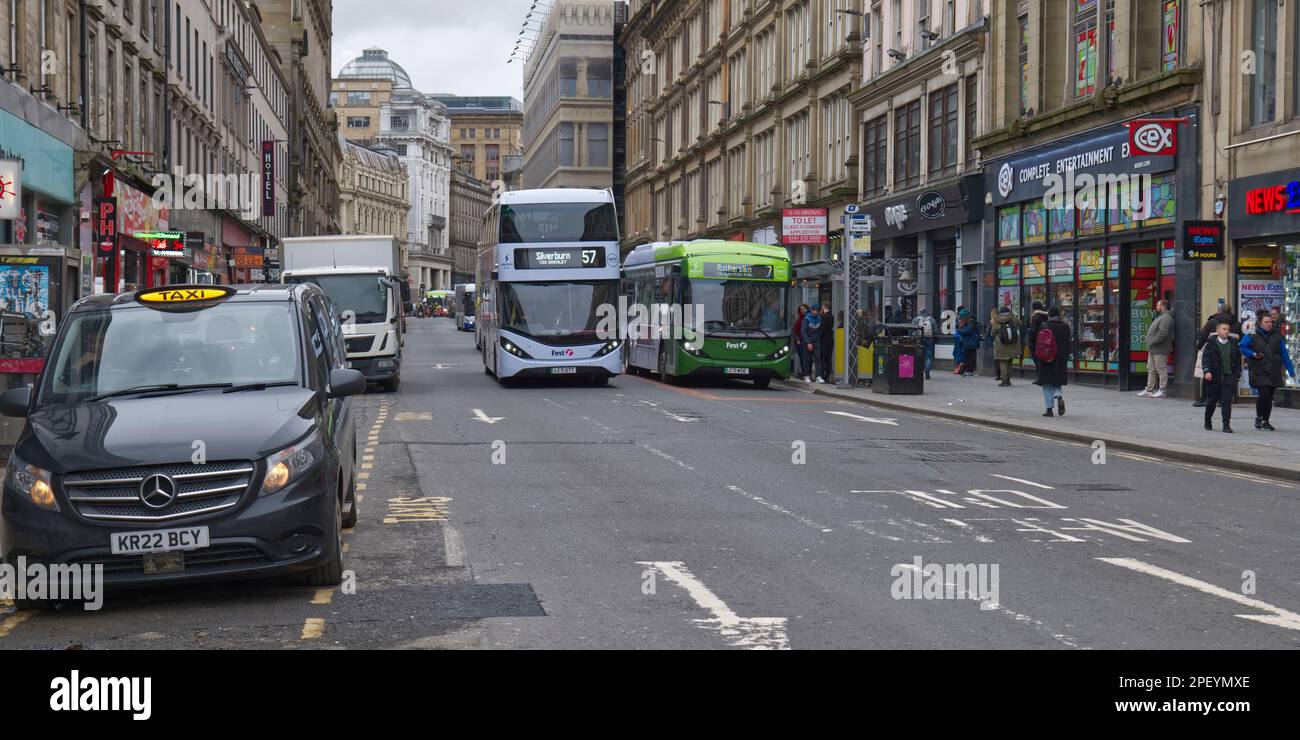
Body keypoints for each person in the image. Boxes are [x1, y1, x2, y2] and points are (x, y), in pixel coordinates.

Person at [1240, 311, 1295, 431]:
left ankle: (1266, 421)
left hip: (1274, 369)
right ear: (1260, 323)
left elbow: (1284, 353)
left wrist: (1290, 370)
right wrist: (1253, 354)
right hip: (1258, 369)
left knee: (1269, 396)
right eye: (1266, 322)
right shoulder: (1252, 333)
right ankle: (1259, 417)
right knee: (1264, 394)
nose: (1269, 324)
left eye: (1270, 322)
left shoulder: (1277, 335)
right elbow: (1242, 347)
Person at [1194, 302, 1241, 407]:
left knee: (1208, 374)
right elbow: (1240, 338)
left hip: (1213, 350)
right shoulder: (1237, 323)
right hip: (1230, 353)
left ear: (1219, 310)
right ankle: (1222, 399)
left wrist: (1199, 346)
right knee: (1226, 375)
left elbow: (1203, 335)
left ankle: (1205, 398)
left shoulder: (1213, 322)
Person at [1200, 321, 1241, 433]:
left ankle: (1226, 425)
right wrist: (1207, 371)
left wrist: (1237, 375)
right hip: (1214, 377)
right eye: (1224, 329)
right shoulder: (1211, 344)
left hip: (1229, 376)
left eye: (1228, 329)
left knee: (1226, 401)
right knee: (1212, 400)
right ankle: (1207, 420)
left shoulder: (1233, 344)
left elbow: (1238, 361)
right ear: (1217, 331)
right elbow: (1206, 359)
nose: (1226, 331)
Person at [1034, 307, 1071, 417]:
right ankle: (1058, 395)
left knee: (1046, 383)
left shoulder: (1044, 326)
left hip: (1046, 358)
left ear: (1049, 315)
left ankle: (1049, 409)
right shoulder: (1065, 327)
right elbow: (1068, 344)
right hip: (1060, 358)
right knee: (1056, 381)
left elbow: (1038, 342)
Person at [1137, 299, 1175, 398]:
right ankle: (1149, 389)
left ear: (1162, 306)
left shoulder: (1166, 317)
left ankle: (1162, 390)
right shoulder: (1160, 316)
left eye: (1158, 306)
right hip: (1153, 348)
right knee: (1151, 369)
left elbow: (1163, 333)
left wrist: (1152, 341)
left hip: (1160, 348)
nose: (1156, 307)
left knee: (1161, 369)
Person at [991, 306, 1022, 387]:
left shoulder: (996, 320)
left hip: (1001, 344)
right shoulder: (1013, 318)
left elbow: (992, 334)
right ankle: (1008, 381)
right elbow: (1020, 324)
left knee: (1003, 362)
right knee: (1010, 362)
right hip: (1013, 344)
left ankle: (1004, 381)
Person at [913, 308, 937, 380]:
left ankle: (917, 372)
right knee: (928, 356)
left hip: (918, 339)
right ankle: (927, 370)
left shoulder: (915, 319)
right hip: (929, 339)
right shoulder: (932, 319)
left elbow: (911, 329)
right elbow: (936, 331)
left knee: (917, 355)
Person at [956, 308, 981, 377]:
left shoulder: (971, 322)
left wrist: (959, 330)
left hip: (971, 342)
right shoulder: (969, 322)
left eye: (962, 317)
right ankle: (968, 371)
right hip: (968, 342)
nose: (961, 319)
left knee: (970, 357)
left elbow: (967, 331)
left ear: (965, 316)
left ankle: (970, 371)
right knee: (968, 357)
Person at [801, 306, 823, 382]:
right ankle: (806, 375)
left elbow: (820, 331)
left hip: (816, 342)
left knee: (818, 359)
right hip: (807, 342)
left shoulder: (819, 319)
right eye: (813, 310)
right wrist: (808, 342)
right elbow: (803, 332)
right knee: (807, 359)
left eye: (816, 310)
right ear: (811, 311)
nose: (815, 312)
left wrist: (817, 340)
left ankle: (818, 376)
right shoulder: (806, 319)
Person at [818, 304, 836, 383]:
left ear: (824, 307)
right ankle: (827, 375)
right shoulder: (831, 316)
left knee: (822, 357)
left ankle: (823, 375)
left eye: (822, 306)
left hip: (824, 340)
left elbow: (822, 329)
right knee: (828, 358)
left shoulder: (824, 317)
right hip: (830, 339)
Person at [792, 304, 809, 380]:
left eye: (804, 309)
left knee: (806, 358)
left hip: (806, 340)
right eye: (801, 309)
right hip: (799, 340)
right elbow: (794, 330)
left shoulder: (808, 317)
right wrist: (797, 339)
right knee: (801, 357)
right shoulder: (797, 318)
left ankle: (806, 373)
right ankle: (804, 373)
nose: (802, 310)